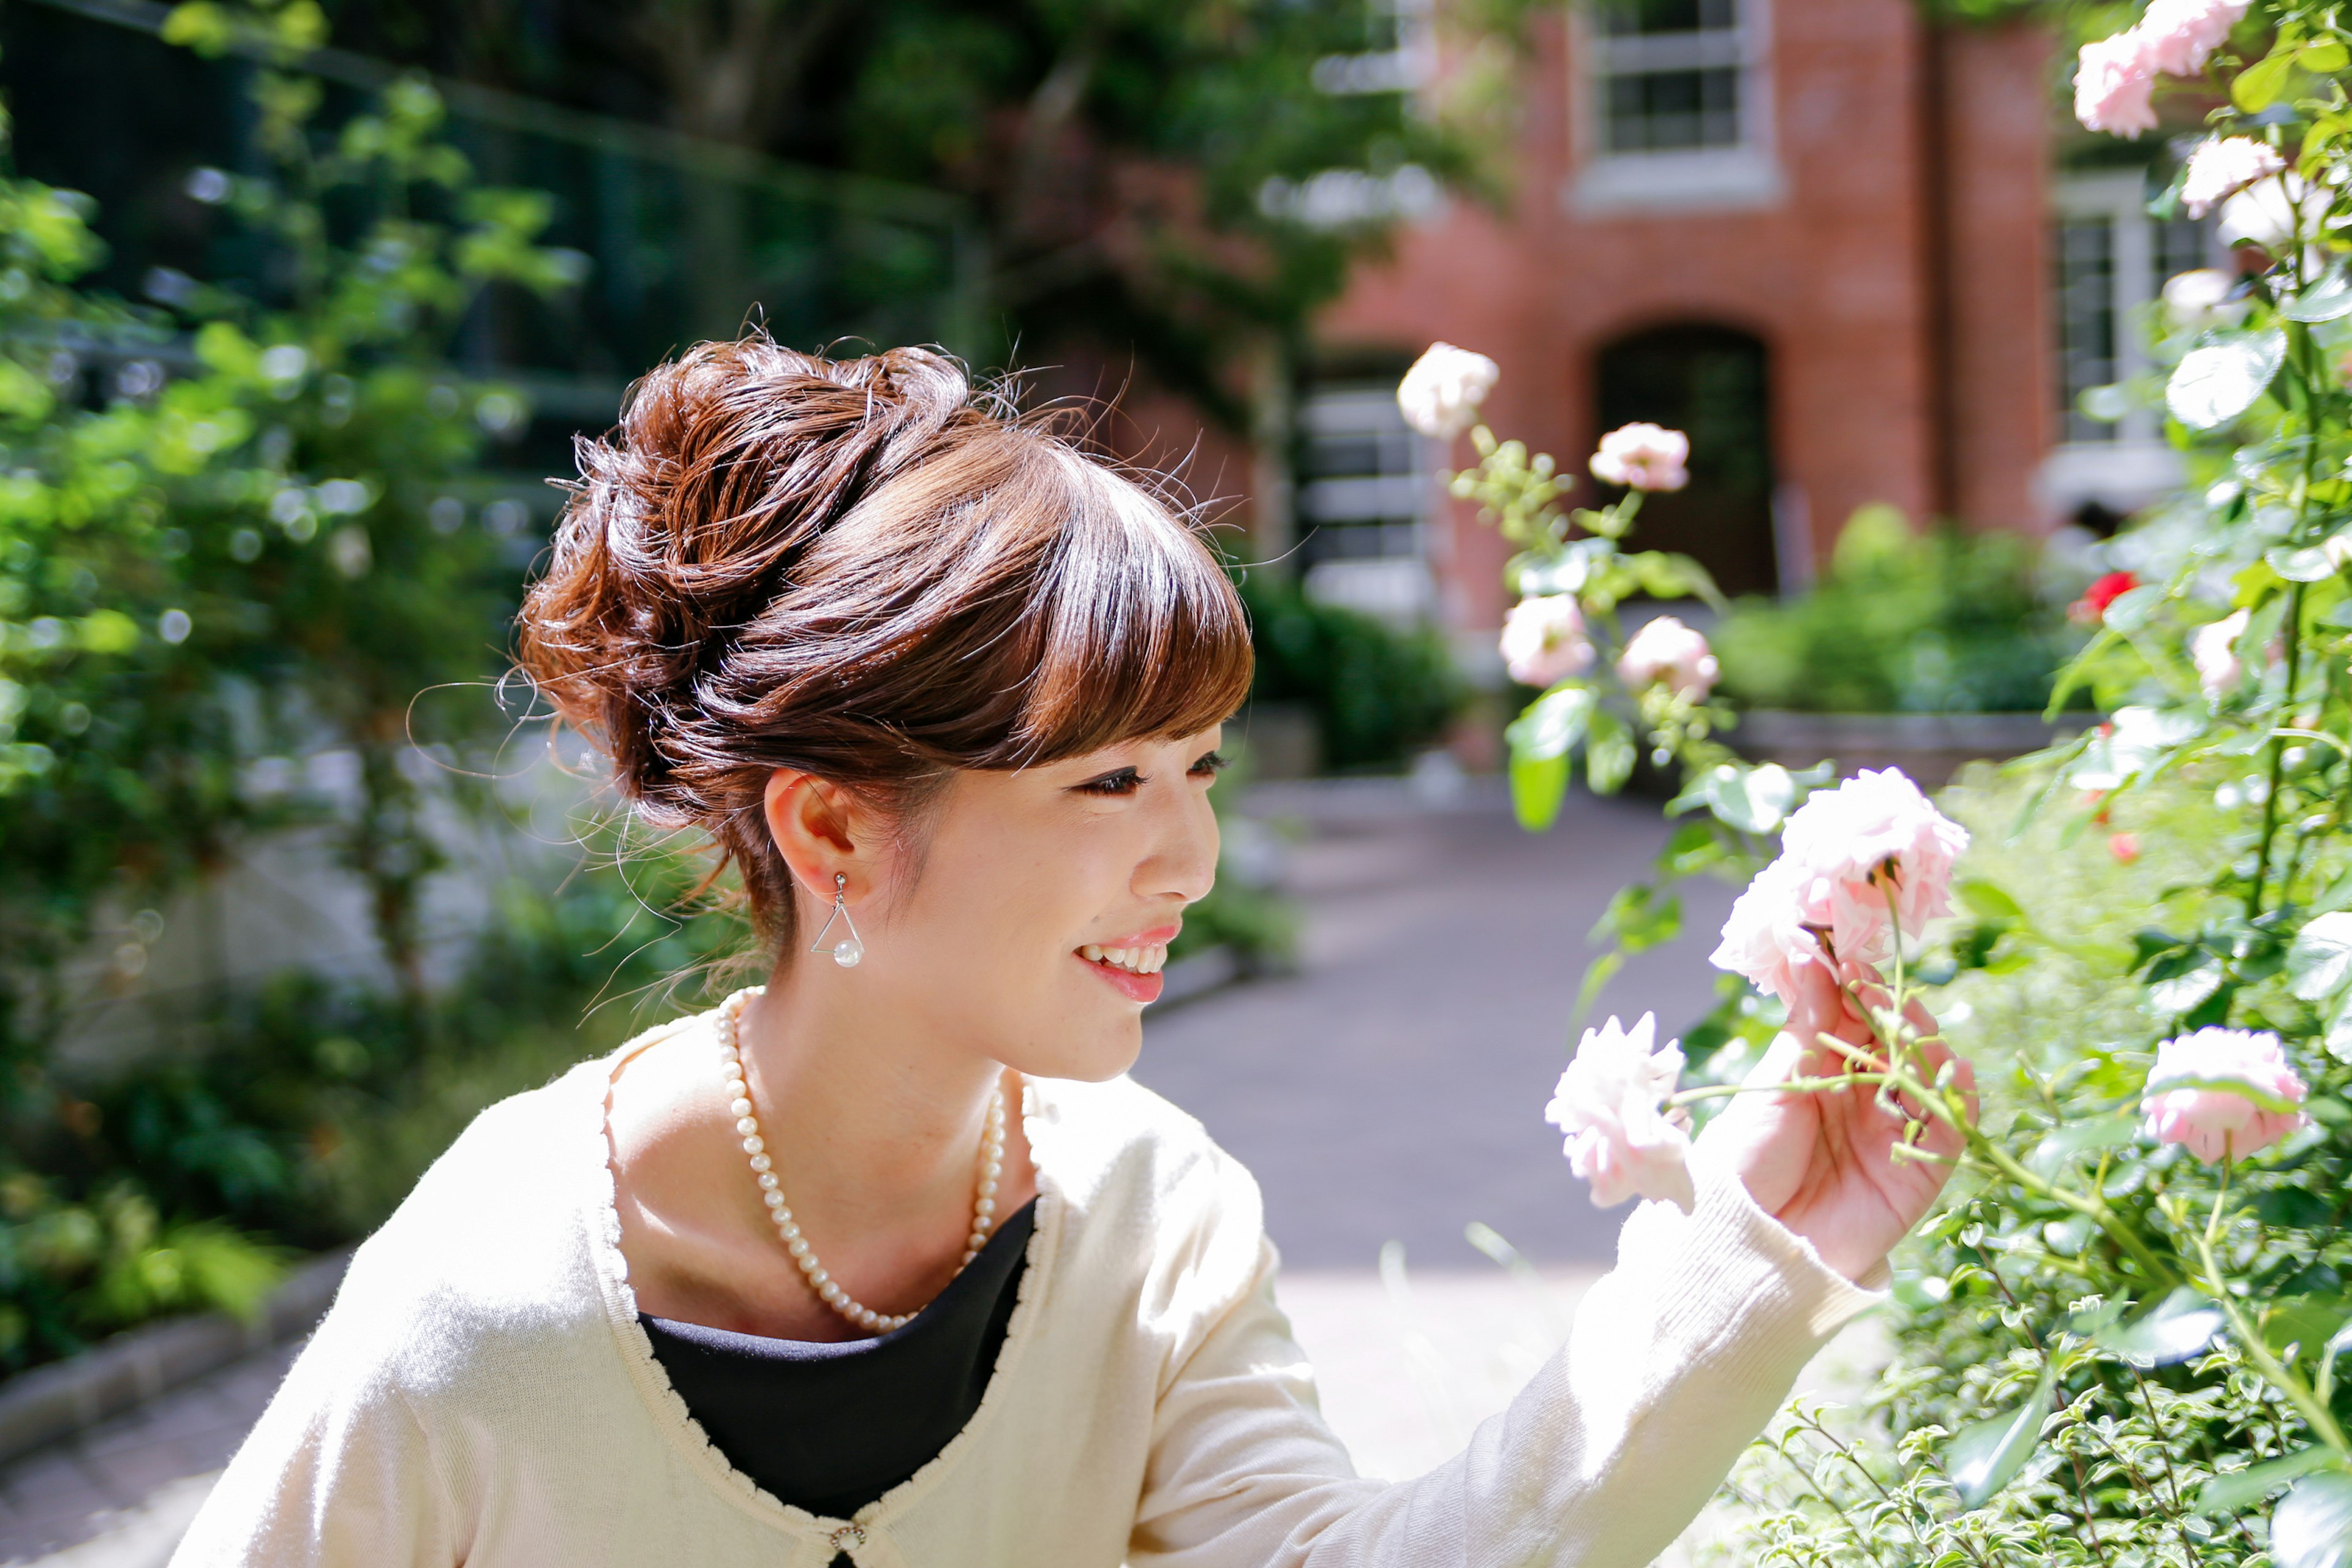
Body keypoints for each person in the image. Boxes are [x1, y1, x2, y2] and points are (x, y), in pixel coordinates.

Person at [172, 338, 1962, 1567]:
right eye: (1108, 780)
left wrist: (1756, 1254)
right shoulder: (496, 1304)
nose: (1188, 856)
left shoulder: (1150, 1216)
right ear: (837, 832)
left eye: (1198, 770)